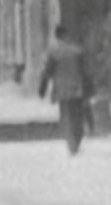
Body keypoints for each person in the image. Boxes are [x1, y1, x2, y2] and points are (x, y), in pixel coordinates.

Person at [39, 21, 91, 157]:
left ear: (57, 36)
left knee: (66, 116)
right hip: (77, 88)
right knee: (77, 116)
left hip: (62, 89)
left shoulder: (54, 52)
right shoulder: (77, 50)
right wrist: (89, 88)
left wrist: (42, 88)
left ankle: (71, 143)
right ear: (66, 35)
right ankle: (77, 140)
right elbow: (85, 72)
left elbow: (47, 71)